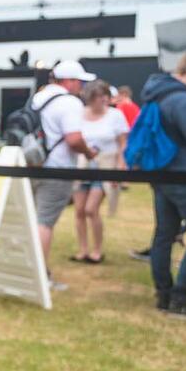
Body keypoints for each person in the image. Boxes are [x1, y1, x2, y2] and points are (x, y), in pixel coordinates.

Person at [30, 60, 98, 291]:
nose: (82, 87)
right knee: (44, 223)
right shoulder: (69, 103)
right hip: (56, 168)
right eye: (80, 82)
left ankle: (29, 270)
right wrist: (89, 153)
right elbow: (74, 139)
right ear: (69, 81)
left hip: (31, 164)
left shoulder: (38, 97)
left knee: (33, 219)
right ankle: (40, 276)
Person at [142, 52, 186, 317]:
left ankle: (164, 294)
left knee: (164, 235)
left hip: (162, 176)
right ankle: (182, 297)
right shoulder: (183, 101)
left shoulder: (157, 95)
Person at [70, 81, 128, 263]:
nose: (102, 100)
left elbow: (123, 144)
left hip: (105, 166)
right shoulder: (79, 114)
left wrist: (120, 168)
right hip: (83, 166)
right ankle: (83, 250)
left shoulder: (115, 115)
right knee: (79, 210)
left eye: (105, 96)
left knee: (91, 209)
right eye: (98, 97)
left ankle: (97, 250)